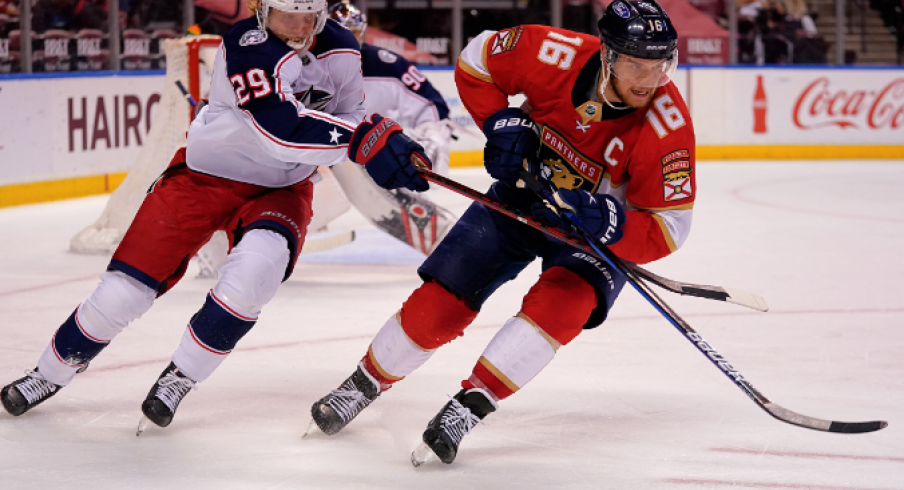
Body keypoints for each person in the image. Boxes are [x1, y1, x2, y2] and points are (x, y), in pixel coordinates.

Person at [0, 0, 430, 432]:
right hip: (202, 179)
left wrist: (374, 135)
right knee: (121, 293)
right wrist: (362, 139)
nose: (298, 27)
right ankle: (48, 373)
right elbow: (279, 132)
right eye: (287, 16)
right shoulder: (246, 43)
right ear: (264, 12)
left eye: (308, 17)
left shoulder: (340, 46)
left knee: (253, 278)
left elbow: (350, 113)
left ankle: (180, 376)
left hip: (279, 189)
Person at [308, 0, 696, 465]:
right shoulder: (553, 52)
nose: (649, 80)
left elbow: (668, 228)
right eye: (636, 64)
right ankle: (364, 383)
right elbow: (476, 59)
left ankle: (468, 408)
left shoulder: (667, 126)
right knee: (443, 302)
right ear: (608, 54)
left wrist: (609, 220)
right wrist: (499, 122)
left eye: (660, 66)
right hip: (522, 194)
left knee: (559, 306)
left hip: (592, 233)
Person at [324, 0, 456, 254]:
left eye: (355, 32)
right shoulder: (304, 63)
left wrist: (433, 134)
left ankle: (429, 227)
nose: (350, 40)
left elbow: (431, 102)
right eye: (343, 33)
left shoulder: (384, 63)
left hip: (365, 150)